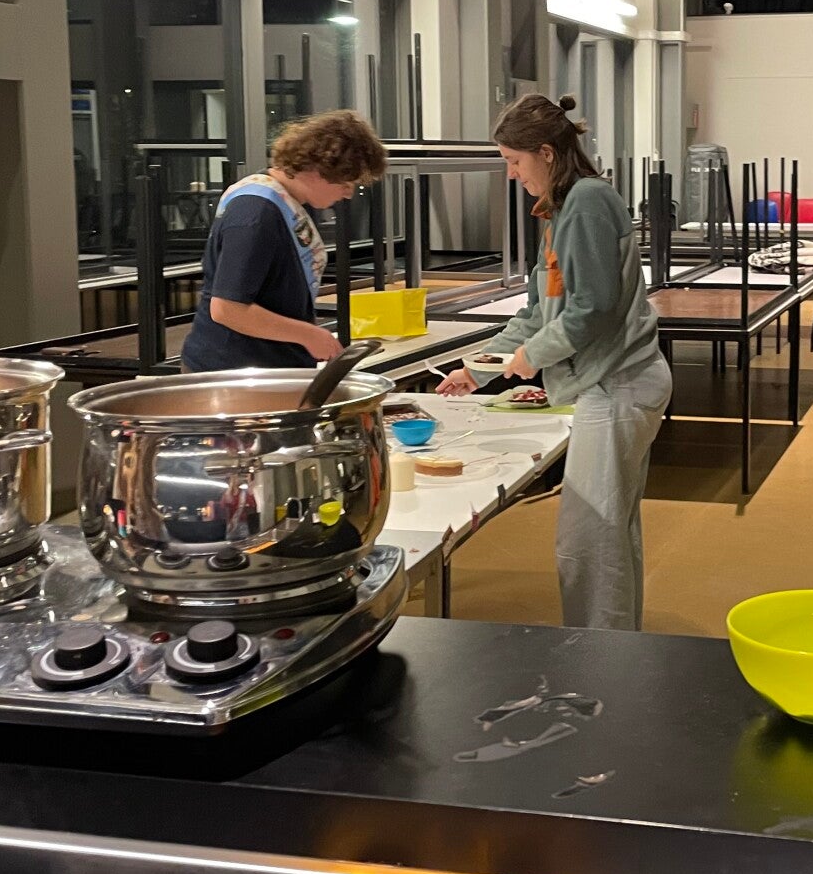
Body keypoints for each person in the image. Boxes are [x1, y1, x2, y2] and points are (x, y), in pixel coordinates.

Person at [437, 94, 668, 631]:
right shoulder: (563, 209)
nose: (512, 174)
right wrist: (480, 368)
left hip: (619, 384)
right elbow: (541, 310)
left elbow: (592, 308)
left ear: (545, 152)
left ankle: (596, 655)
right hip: (611, 384)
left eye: (514, 161)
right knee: (607, 531)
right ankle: (614, 646)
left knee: (591, 539)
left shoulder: (586, 201)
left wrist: (531, 357)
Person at [183, 110, 388, 372]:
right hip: (232, 369)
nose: (348, 194)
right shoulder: (256, 213)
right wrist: (308, 335)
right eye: (346, 183)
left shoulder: (285, 202)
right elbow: (227, 308)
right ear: (319, 169)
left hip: (267, 363)